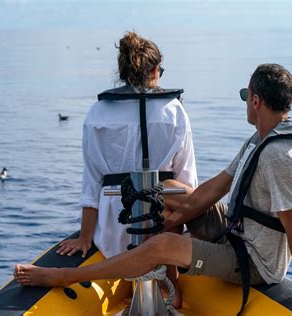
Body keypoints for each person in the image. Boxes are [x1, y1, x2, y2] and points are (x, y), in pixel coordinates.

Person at [14, 64, 292, 311]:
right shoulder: (261, 138)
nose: (245, 104)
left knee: (161, 245)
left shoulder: (279, 156)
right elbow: (214, 188)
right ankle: (171, 277)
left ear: (255, 100)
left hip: (254, 260)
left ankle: (62, 277)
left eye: (245, 97)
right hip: (239, 228)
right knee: (167, 189)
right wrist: (168, 222)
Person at [52, 31, 197, 307]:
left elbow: (92, 182)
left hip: (113, 232)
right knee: (173, 198)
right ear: (155, 71)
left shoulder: (97, 113)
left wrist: (85, 237)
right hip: (161, 228)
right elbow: (187, 182)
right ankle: (171, 282)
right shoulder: (175, 111)